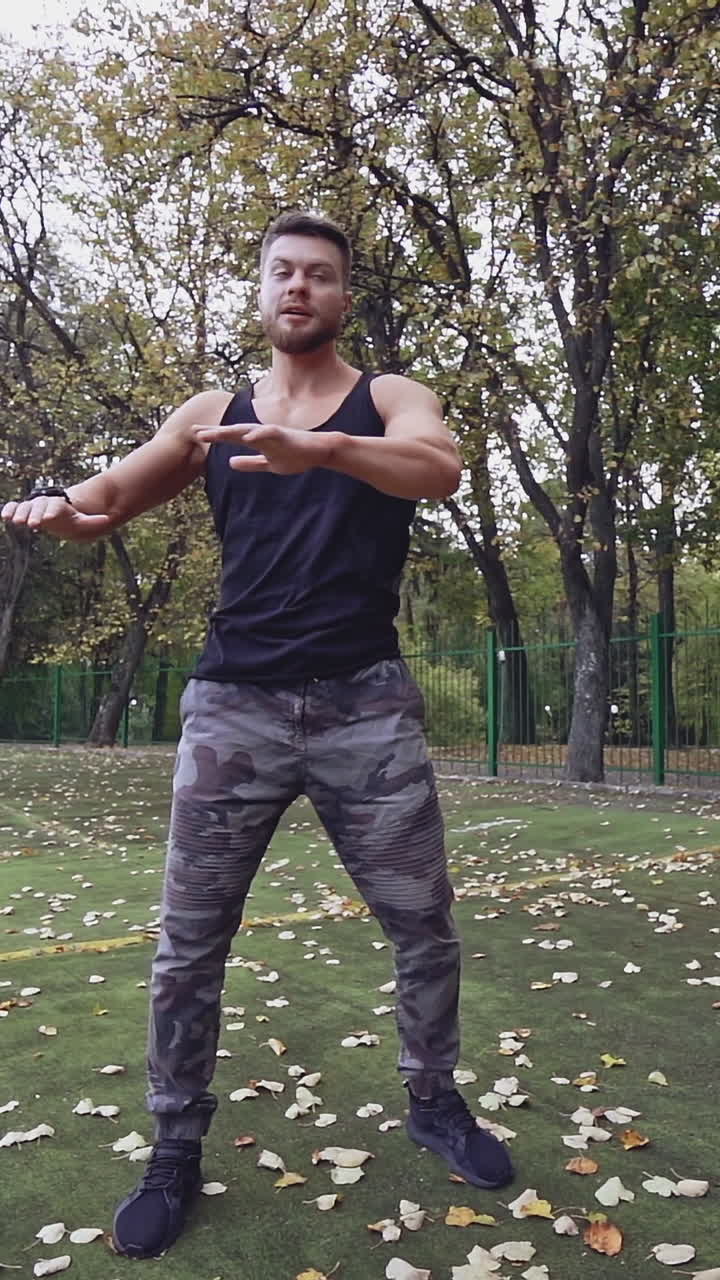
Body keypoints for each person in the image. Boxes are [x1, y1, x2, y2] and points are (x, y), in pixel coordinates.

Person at [2, 211, 514, 1260]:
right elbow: (113, 495)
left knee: (423, 922)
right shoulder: (212, 413)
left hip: (363, 705)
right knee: (187, 946)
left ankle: (434, 1098)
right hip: (233, 705)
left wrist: (315, 448)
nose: (298, 288)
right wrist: (65, 507)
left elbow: (437, 468)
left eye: (318, 275)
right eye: (282, 272)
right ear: (263, 289)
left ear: (342, 297)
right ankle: (175, 1145)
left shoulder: (389, 397)